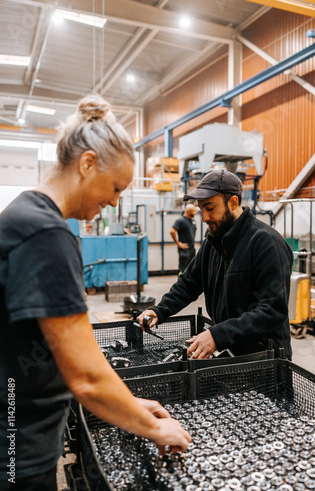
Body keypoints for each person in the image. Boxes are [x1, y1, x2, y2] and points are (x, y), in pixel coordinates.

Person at [0, 95, 191, 491]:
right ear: (87, 164)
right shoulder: (47, 235)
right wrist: (154, 430)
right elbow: (86, 376)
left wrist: (129, 405)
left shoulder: (24, 214)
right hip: (18, 446)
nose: (114, 201)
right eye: (116, 186)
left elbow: (51, 354)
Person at [138, 169, 293, 360]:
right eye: (201, 210)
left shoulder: (265, 243)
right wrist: (159, 310)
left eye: (210, 208)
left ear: (233, 202)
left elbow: (272, 310)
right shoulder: (213, 241)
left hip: (264, 358)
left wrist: (218, 335)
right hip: (231, 351)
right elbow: (189, 282)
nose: (204, 218)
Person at [170, 204, 197, 275]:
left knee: (192, 269)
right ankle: (181, 283)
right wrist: (178, 243)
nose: (195, 213)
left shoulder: (192, 220)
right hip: (184, 250)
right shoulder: (180, 220)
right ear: (189, 211)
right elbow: (172, 231)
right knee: (183, 269)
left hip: (191, 249)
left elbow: (194, 230)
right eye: (194, 211)